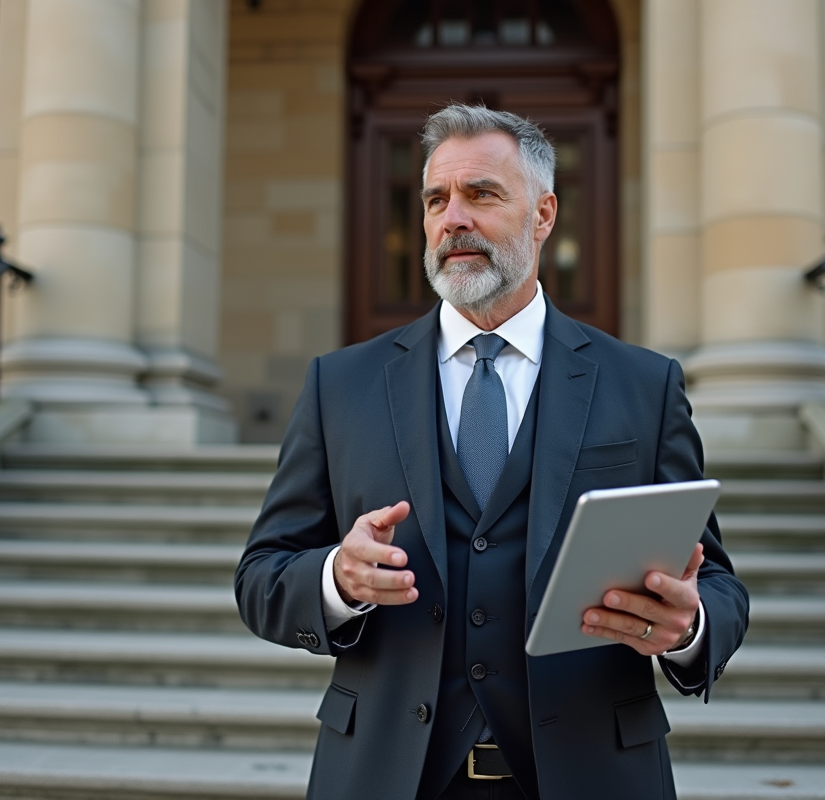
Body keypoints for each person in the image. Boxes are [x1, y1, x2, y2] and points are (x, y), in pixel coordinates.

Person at [235, 104, 749, 800]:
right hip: (387, 776)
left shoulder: (643, 384)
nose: (453, 219)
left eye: (481, 194)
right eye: (436, 199)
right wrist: (336, 579)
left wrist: (690, 625)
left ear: (543, 216)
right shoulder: (341, 385)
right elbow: (261, 577)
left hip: (592, 776)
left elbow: (715, 582)